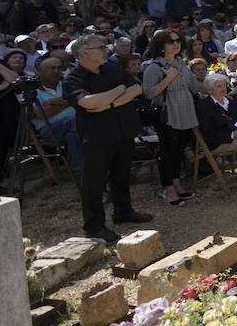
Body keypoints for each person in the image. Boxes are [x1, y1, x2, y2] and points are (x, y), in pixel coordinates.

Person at [60, 34, 152, 241]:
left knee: (122, 175)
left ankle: (123, 211)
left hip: (123, 130)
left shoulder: (113, 68)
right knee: (93, 183)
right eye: (101, 47)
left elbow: (136, 88)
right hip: (97, 137)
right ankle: (94, 226)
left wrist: (107, 102)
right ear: (84, 52)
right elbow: (88, 103)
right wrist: (119, 91)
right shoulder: (73, 79)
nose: (106, 50)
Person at [141, 30, 198, 207]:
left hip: (185, 109)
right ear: (161, 45)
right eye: (170, 41)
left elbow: (193, 85)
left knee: (179, 149)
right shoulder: (154, 67)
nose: (176, 44)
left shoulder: (182, 62)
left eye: (178, 40)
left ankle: (176, 184)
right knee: (168, 152)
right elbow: (149, 93)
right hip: (168, 113)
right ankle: (168, 189)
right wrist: (169, 78)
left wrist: (212, 90)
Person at [32, 56, 83, 172]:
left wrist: (51, 103)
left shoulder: (68, 82)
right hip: (49, 129)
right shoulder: (33, 89)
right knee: (74, 121)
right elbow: (40, 113)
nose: (56, 71)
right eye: (52, 68)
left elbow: (81, 100)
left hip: (77, 125)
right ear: (40, 70)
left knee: (73, 134)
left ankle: (81, 170)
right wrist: (69, 102)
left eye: (59, 68)